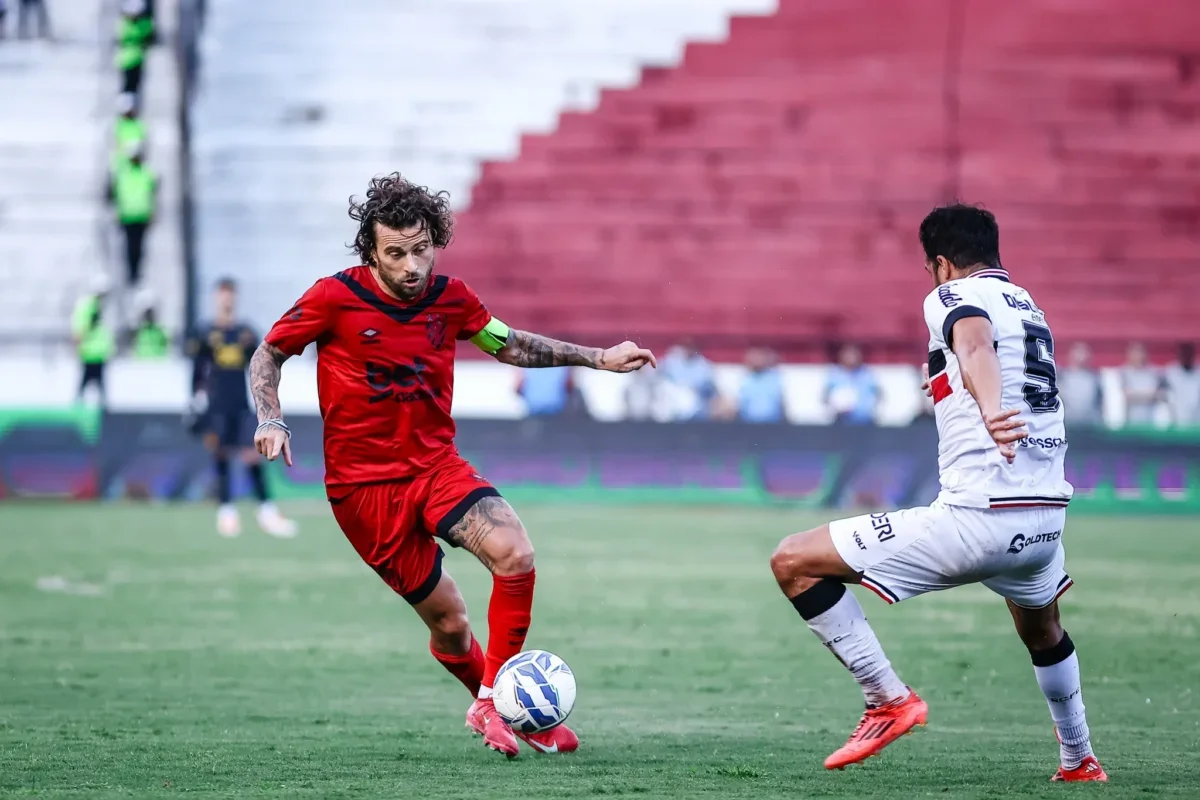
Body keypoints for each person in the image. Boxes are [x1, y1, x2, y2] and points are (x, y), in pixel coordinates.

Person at [248, 173, 655, 758]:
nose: (413, 266)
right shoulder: (332, 298)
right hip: (365, 493)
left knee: (515, 553)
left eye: (422, 249)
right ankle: (500, 705)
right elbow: (270, 352)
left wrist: (596, 357)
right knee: (450, 625)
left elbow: (507, 344)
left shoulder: (452, 299)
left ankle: (496, 702)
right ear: (371, 251)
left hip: (437, 467)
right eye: (396, 253)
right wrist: (271, 418)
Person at [768, 205, 1105, 781]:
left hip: (977, 520)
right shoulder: (1028, 306)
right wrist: (953, 384)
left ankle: (887, 699)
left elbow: (973, 345)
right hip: (1046, 525)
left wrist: (992, 409)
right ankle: (1079, 759)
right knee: (1042, 629)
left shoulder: (950, 296)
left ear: (943, 264)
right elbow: (988, 359)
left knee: (793, 560)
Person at [187, 278, 296, 538]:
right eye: (222, 294)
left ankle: (266, 511)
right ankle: (226, 513)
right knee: (221, 455)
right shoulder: (205, 334)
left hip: (241, 404)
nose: (226, 300)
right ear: (216, 298)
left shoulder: (246, 333)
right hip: (216, 405)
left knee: (252, 455)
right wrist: (194, 399)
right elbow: (196, 371)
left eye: (230, 295)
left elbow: (261, 366)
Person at [106, 144, 156, 288]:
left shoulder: (145, 173)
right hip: (128, 215)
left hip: (140, 215)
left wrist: (152, 212)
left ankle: (136, 273)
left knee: (138, 247)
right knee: (130, 247)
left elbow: (152, 194)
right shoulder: (126, 174)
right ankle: (131, 274)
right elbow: (115, 194)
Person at [71, 275, 115, 406]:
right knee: (87, 385)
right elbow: (80, 329)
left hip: (97, 353)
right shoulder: (89, 307)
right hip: (91, 353)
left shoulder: (96, 307)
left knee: (93, 387)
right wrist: (78, 345)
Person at [823, 343, 881, 425]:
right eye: (847, 355)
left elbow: (879, 394)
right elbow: (825, 396)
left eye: (853, 355)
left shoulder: (866, 373)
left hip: (865, 420)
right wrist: (837, 405)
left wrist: (870, 406)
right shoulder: (834, 374)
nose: (850, 358)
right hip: (841, 420)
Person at [1057, 342, 1102, 427]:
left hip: (1089, 424)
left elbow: (1099, 402)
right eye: (1078, 352)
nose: (1081, 356)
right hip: (1068, 424)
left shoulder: (1094, 377)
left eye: (1083, 352)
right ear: (1071, 355)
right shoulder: (1062, 376)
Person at [115, 0, 153, 97]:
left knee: (131, 88)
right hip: (129, 60)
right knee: (129, 87)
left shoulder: (125, 24)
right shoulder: (133, 25)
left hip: (132, 59)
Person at [738, 347, 785, 423]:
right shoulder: (744, 380)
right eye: (754, 357)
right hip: (747, 425)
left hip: (772, 425)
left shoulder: (775, 379)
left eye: (759, 357)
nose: (757, 360)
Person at [1119, 342, 1161, 427]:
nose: (1138, 356)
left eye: (1140, 353)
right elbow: (1125, 395)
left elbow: (1158, 394)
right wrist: (1148, 395)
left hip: (1151, 420)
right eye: (1135, 353)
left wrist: (1135, 395)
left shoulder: (1154, 372)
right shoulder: (1123, 372)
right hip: (1130, 422)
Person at [1165, 342, 1200, 428]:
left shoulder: (1198, 372)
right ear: (1178, 355)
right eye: (1183, 354)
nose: (1186, 357)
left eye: (1188, 354)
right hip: (1177, 419)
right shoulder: (1170, 373)